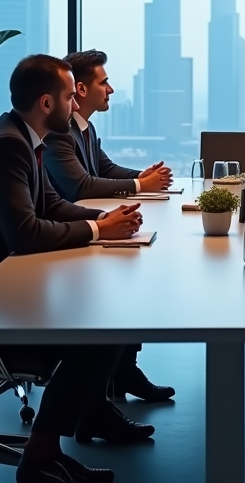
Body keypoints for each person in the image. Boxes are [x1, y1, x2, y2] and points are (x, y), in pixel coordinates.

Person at [0, 55, 154, 483]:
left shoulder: (23, 137)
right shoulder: (8, 145)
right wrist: (97, 229)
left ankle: (83, 424)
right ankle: (40, 457)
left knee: (105, 321)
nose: (75, 104)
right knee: (101, 333)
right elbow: (25, 235)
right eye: (69, 96)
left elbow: (50, 205)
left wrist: (104, 222)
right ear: (47, 103)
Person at [44, 48, 175, 402]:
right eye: (105, 82)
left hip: (67, 228)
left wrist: (142, 178)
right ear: (81, 91)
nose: (111, 90)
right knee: (123, 283)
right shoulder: (58, 134)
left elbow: (104, 168)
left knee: (129, 272)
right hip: (55, 247)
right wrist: (137, 189)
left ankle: (122, 371)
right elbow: (80, 186)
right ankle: (115, 377)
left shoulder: (84, 129)